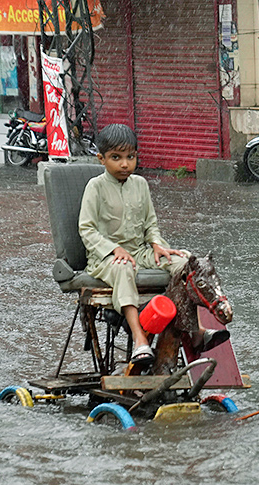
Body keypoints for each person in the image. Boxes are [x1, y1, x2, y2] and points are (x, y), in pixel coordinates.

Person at [79, 123, 190, 368]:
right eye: (116, 158)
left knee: (185, 260)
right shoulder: (95, 187)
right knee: (123, 267)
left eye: (130, 157)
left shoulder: (140, 184)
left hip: (140, 252)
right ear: (101, 159)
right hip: (105, 259)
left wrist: (157, 245)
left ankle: (197, 329)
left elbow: (150, 223)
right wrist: (113, 249)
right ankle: (140, 339)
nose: (125, 164)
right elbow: (86, 229)